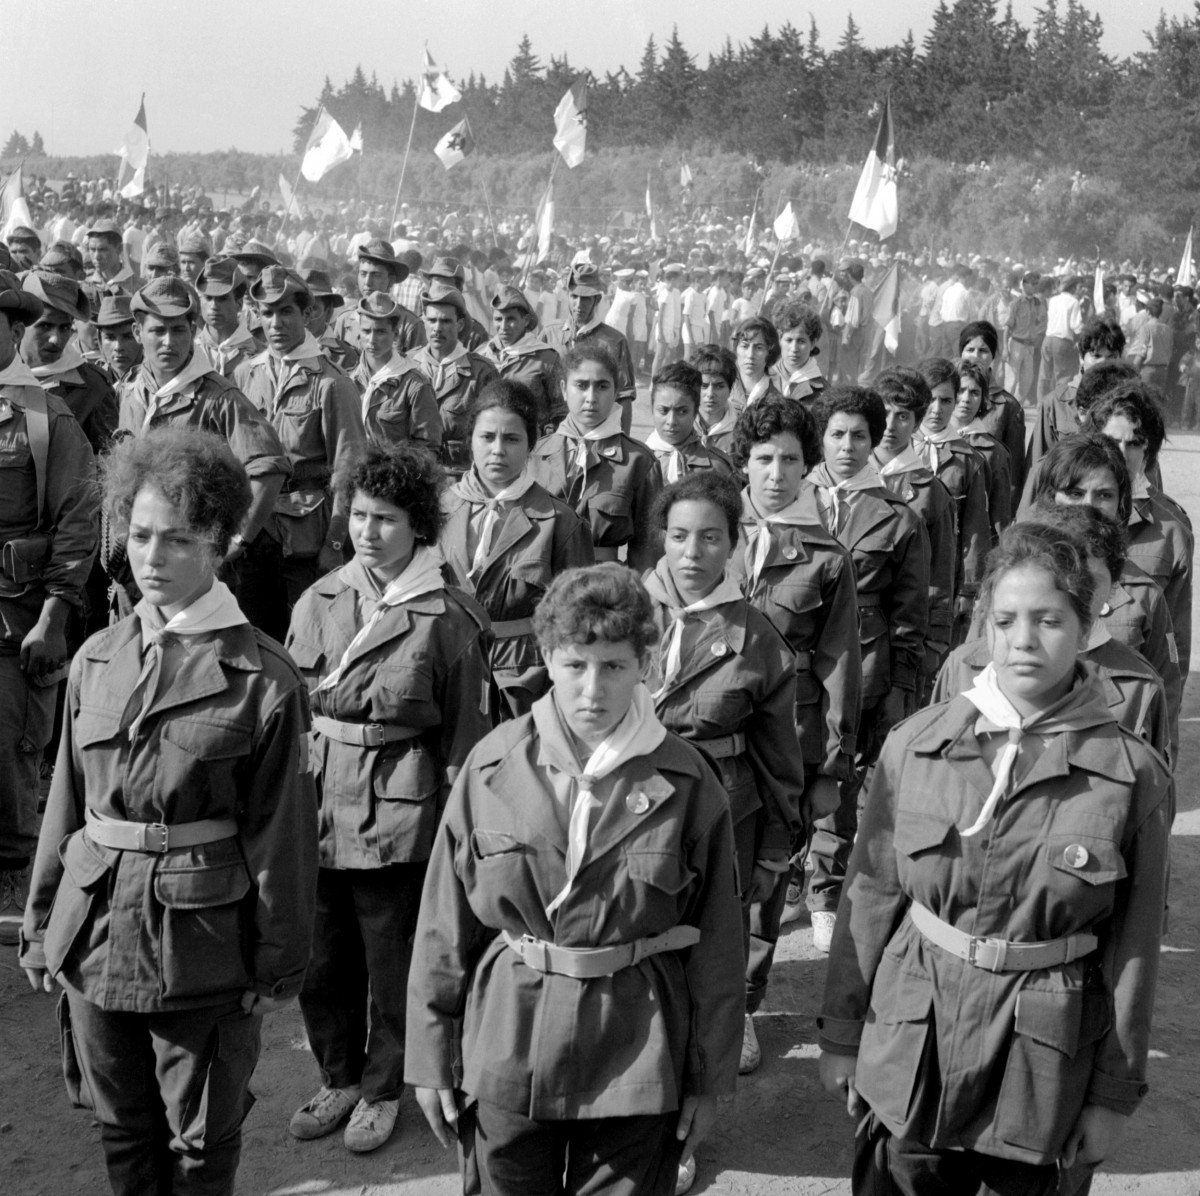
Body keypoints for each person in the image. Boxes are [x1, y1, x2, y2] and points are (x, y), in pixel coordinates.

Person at [818, 518, 1171, 1196]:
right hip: (913, 1043)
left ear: (1085, 625)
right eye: (1005, 620)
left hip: (1040, 1066)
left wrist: (1111, 1096)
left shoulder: (1130, 776)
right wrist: (840, 1035)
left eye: (1047, 620)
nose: (1023, 640)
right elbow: (869, 899)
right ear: (984, 626)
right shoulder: (916, 747)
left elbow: (1134, 951)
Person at [20, 427, 317, 1193]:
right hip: (96, 939)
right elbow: (68, 803)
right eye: (142, 535)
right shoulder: (97, 656)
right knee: (123, 1136)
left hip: (203, 948)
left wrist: (275, 963)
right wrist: (43, 921)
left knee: (197, 1149)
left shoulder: (263, 677)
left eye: (178, 540)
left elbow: (281, 836)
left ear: (219, 542)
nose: (152, 558)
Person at [405, 563, 743, 1196]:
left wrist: (706, 1077)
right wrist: (430, 1056)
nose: (593, 689)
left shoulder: (688, 782)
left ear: (645, 662)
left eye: (614, 665)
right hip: (508, 1036)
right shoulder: (492, 765)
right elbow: (443, 923)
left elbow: (719, 945)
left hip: (635, 1045)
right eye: (575, 664)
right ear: (547, 659)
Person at [285, 442, 491, 1155]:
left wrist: (459, 842)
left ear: (420, 527)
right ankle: (337, 1075)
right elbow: (291, 716)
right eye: (360, 515)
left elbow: (466, 741)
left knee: (389, 959)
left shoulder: (447, 616)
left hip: (400, 808)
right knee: (321, 956)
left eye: (387, 519)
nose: (368, 531)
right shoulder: (319, 598)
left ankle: (381, 1089)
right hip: (317, 802)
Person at [644, 470, 806, 1188]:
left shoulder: (757, 636)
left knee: (702, 972)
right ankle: (627, 1116)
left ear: (735, 543)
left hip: (720, 817)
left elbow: (780, 756)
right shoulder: (626, 610)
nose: (692, 552)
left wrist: (775, 847)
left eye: (711, 536)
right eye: (679, 536)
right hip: (629, 817)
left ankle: (683, 1129)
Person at [722, 398, 862, 1046]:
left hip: (789, 743)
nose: (775, 474)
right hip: (715, 736)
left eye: (789, 460)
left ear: (809, 468)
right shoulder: (710, 538)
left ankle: (743, 1009)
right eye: (762, 459)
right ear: (742, 463)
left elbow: (838, 664)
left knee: (767, 880)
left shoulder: (827, 558)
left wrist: (831, 768)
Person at [797, 386, 931, 951]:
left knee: (847, 780)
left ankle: (828, 892)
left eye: (859, 435)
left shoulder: (898, 519)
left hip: (868, 669)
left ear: (875, 440)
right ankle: (789, 876)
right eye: (836, 434)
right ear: (820, 439)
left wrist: (903, 685)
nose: (847, 447)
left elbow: (911, 616)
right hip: (798, 667)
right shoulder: (789, 502)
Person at [0, 271, 97, 945]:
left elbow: (77, 518)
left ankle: (17, 900)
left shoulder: (42, 415)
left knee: (11, 761)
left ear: (12, 330)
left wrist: (54, 615)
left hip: (14, 619)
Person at [936, 502, 1172, 764]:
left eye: (1089, 580)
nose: (1074, 594)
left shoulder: (1137, 687)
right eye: (1057, 579)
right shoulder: (963, 667)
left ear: (1114, 586)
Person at [440, 380, 594, 719]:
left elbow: (578, 625)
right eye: (487, 437)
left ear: (530, 445)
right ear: (471, 440)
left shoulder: (559, 521)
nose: (497, 450)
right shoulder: (439, 510)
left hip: (525, 679)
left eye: (511, 439)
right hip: (448, 668)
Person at [1025, 433, 1182, 738]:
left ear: (1122, 504)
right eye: (1074, 492)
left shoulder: (1143, 595)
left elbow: (1165, 698)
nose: (1088, 506)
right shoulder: (1011, 583)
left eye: (1104, 495)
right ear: (1049, 499)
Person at [235, 265, 367, 608]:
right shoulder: (245, 374)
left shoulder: (332, 383)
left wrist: (335, 543)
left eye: (286, 312)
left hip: (307, 538)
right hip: (253, 532)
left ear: (307, 314)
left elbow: (349, 470)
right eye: (267, 313)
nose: (276, 323)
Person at [1081, 383, 1193, 680]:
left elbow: (1174, 643)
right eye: (1112, 440)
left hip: (1131, 694)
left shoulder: (1172, 531)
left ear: (1149, 450)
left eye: (1134, 443)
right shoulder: (1063, 509)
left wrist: (1163, 718)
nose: (1121, 453)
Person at [528, 343, 661, 571]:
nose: (591, 397)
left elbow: (649, 550)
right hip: (542, 581)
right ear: (563, 389)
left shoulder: (639, 461)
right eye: (581, 385)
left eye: (601, 386)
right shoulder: (534, 455)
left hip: (603, 585)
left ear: (616, 391)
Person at [871, 368, 957, 693]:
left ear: (917, 422)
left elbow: (941, 575)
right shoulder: (844, 479)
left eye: (903, 416)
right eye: (885, 413)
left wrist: (934, 646)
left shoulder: (931, 493)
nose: (891, 426)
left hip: (903, 639)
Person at [914, 358, 994, 646]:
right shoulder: (896, 451)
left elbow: (975, 531)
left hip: (944, 577)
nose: (936, 410)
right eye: (930, 400)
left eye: (946, 400)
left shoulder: (968, 460)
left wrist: (968, 590)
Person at [405, 280, 499, 478]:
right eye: (432, 320)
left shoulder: (481, 372)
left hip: (460, 477)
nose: (437, 328)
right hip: (414, 475)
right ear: (423, 321)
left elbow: (493, 432)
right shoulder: (407, 365)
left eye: (446, 321)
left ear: (460, 324)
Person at [20, 270, 118, 456]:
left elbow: (106, 467)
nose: (56, 339)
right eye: (45, 326)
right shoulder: (6, 371)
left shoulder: (92, 387)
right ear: (19, 325)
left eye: (65, 327)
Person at [1025, 316, 1126, 475]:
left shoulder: (1131, 402)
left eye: (1111, 356)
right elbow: (1036, 468)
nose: (1103, 364)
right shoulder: (1055, 403)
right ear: (1081, 357)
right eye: (1096, 355)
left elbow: (1146, 473)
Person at [548, 263, 639, 434]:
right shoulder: (550, 333)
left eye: (586, 298)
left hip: (597, 431)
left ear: (597, 299)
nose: (579, 304)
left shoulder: (614, 341)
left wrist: (623, 442)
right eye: (574, 296)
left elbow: (624, 397)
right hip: (554, 431)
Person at [347, 290, 442, 454]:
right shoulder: (348, 381)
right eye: (366, 331)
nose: (372, 339)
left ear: (396, 334)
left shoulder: (415, 385)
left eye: (381, 332)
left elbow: (427, 448)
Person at [956, 321, 1028, 506]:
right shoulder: (943, 396)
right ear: (960, 352)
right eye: (970, 349)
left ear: (993, 356)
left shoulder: (1008, 406)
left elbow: (1012, 473)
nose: (975, 357)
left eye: (983, 351)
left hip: (985, 503)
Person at [478, 284, 564, 434]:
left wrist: (550, 435)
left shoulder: (546, 359)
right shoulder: (482, 355)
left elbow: (560, 410)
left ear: (525, 320)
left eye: (510, 319)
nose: (503, 326)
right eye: (498, 319)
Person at [946, 356, 1012, 539]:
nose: (966, 399)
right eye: (960, 391)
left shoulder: (995, 453)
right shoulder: (924, 442)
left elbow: (1000, 520)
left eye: (974, 393)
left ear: (983, 398)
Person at [645, 361, 735, 484]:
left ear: (695, 411)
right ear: (652, 409)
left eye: (682, 412)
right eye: (664, 411)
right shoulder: (636, 463)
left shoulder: (717, 468)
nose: (671, 421)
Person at [195, 257, 260, 379]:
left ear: (239, 304)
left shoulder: (260, 354)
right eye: (208, 298)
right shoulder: (190, 353)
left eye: (222, 298)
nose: (214, 306)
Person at [1005, 269, 1047, 407]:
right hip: (1017, 343)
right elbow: (1008, 327)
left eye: (1037, 284)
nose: (1035, 287)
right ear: (1024, 284)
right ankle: (1005, 408)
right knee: (1012, 380)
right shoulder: (1016, 303)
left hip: (1030, 346)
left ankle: (1015, 406)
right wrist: (1005, 348)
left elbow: (1041, 321)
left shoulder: (1037, 303)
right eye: (1032, 283)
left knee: (1027, 381)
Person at [729, 315, 784, 414]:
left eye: (759, 348)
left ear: (770, 352)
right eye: (745, 346)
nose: (750, 355)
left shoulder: (777, 398)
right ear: (736, 348)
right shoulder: (721, 385)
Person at [772, 301, 825, 401]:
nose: (794, 349)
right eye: (789, 340)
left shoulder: (823, 393)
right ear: (779, 338)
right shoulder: (763, 378)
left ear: (813, 343)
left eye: (801, 341)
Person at [690, 343, 739, 452]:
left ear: (730, 389)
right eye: (704, 386)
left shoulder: (741, 432)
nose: (710, 393)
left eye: (719, 386)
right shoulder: (678, 424)